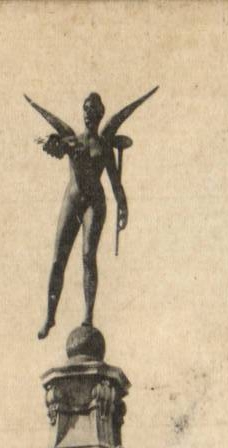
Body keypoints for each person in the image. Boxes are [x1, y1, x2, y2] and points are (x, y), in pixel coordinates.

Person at [25, 87, 158, 339]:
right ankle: (50, 317)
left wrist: (123, 204)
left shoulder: (104, 145)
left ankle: (87, 317)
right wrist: (51, 143)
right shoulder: (72, 139)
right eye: (86, 111)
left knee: (88, 256)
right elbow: (51, 138)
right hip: (73, 200)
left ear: (100, 115)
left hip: (94, 203)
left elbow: (115, 182)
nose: (89, 116)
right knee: (57, 260)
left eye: (94, 112)